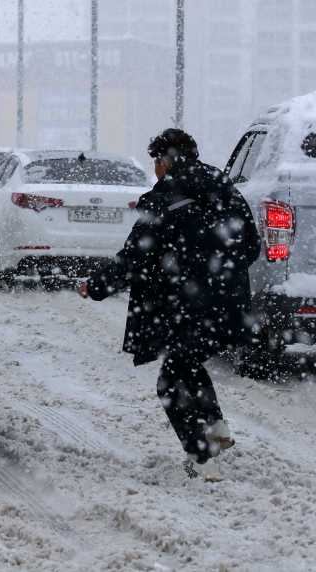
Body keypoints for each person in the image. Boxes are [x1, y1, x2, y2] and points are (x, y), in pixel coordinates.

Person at [78, 128, 260, 482]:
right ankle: (216, 429)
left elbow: (135, 256)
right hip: (225, 301)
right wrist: (221, 273)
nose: (156, 172)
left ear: (164, 162)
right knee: (187, 362)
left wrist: (96, 286)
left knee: (169, 382)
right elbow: (251, 245)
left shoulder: (165, 199)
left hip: (183, 302)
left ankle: (201, 460)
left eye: (156, 164)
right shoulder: (224, 188)